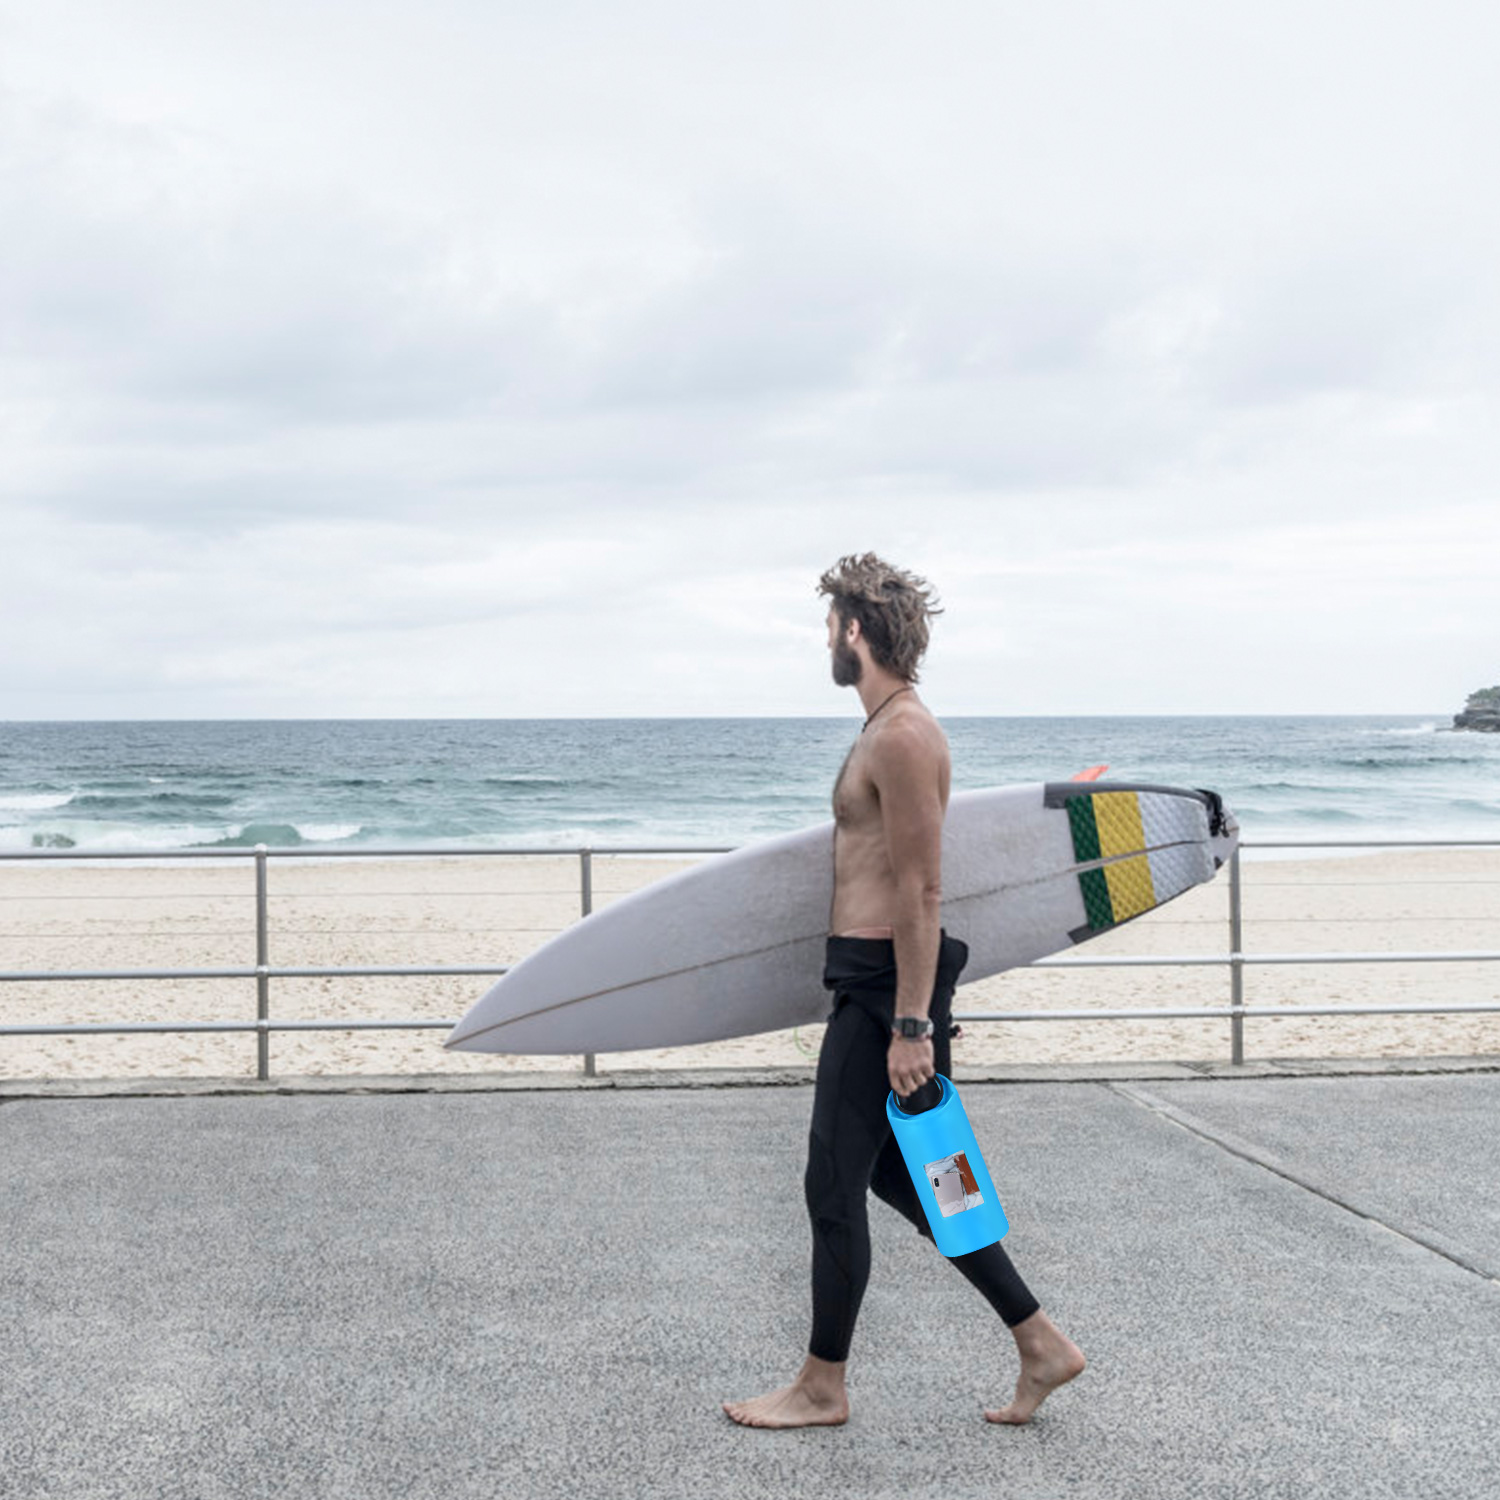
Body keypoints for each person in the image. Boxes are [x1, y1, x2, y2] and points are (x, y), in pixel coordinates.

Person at [723, 553, 1085, 1430]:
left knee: (831, 1183)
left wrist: (913, 1025)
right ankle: (1040, 1342)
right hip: (875, 981)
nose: (826, 641)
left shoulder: (903, 736)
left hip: (889, 992)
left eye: (829, 626)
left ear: (855, 630)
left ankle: (822, 1387)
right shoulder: (885, 729)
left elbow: (922, 889)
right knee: (909, 1174)